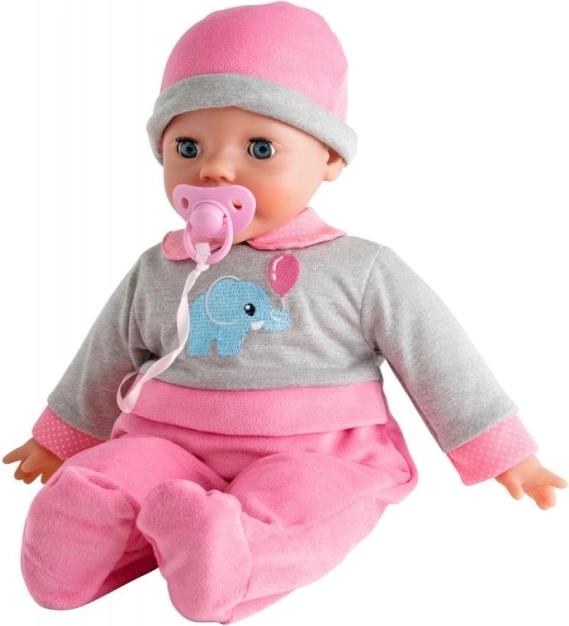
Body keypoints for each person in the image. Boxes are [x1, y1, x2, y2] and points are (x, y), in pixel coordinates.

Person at [3, 3, 566, 624]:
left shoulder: (361, 268)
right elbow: (106, 353)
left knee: (297, 500)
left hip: (318, 454)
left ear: (329, 158)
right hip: (170, 442)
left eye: (260, 147)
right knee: (119, 471)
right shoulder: (161, 266)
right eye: (188, 146)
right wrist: (62, 438)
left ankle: (228, 551)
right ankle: (81, 538)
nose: (214, 168)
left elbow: (437, 356)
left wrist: (501, 450)